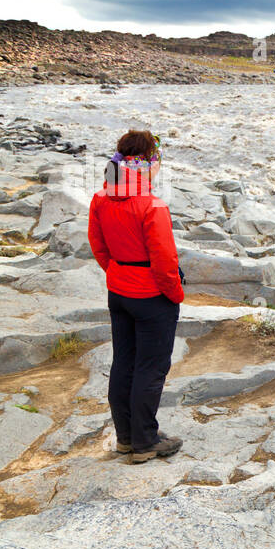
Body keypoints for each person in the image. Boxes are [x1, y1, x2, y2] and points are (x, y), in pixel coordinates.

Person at [87, 130, 186, 464]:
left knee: (124, 364)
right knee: (151, 368)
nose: (159, 168)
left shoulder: (101, 198)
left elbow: (99, 247)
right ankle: (145, 443)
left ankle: (127, 439)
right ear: (146, 166)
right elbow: (165, 261)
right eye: (157, 161)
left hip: (119, 291)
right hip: (151, 295)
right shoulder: (152, 206)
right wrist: (174, 294)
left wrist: (118, 273)